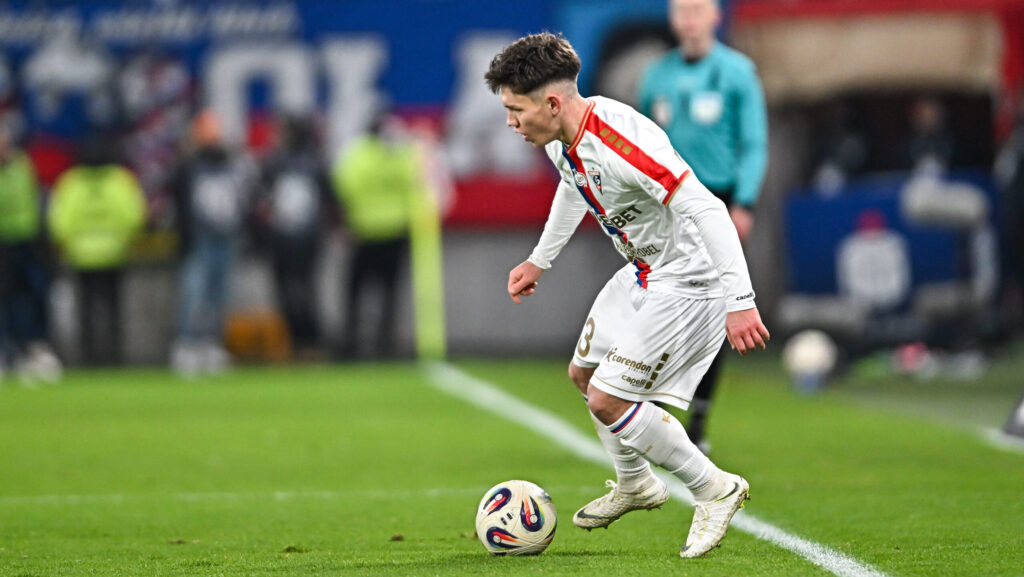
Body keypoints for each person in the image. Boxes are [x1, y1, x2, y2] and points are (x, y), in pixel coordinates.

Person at [486, 33, 769, 558]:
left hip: (690, 279)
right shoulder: (560, 139)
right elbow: (573, 185)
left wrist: (740, 300)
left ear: (552, 104)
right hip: (645, 269)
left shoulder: (621, 142)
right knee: (584, 374)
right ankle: (636, 484)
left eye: (516, 110)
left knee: (608, 398)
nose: (510, 122)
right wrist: (540, 259)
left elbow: (708, 209)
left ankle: (715, 487)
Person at [636, 0, 768, 452]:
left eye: (697, 9)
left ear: (715, 15)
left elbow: (753, 143)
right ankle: (649, 410)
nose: (689, 19)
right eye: (681, 11)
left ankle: (699, 418)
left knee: (713, 312)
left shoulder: (738, 72)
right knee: (657, 304)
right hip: (666, 206)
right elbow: (640, 144)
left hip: (718, 201)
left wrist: (744, 202)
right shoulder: (656, 75)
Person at [48, 129, 146, 366]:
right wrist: (121, 239)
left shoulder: (71, 182)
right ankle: (113, 356)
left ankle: (88, 358)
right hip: (114, 252)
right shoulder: (119, 180)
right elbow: (135, 216)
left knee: (86, 309)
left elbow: (59, 221)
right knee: (113, 308)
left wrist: (71, 242)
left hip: (81, 255)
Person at [168, 110, 254, 376]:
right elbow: (180, 204)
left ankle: (211, 343)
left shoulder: (232, 166)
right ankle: (186, 343)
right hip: (200, 238)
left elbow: (242, 201)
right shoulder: (188, 167)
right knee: (194, 293)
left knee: (218, 295)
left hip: (225, 236)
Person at [332, 110, 421, 359]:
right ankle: (385, 343)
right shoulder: (399, 153)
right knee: (389, 292)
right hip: (395, 230)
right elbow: (414, 184)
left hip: (363, 231)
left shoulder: (357, 155)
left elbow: (343, 187)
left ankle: (350, 342)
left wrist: (347, 221)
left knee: (355, 291)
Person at [257, 113, 335, 355]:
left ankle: (302, 340)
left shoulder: (275, 162)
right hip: (303, 236)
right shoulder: (315, 161)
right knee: (303, 289)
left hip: (288, 236)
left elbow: (261, 199)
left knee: (293, 290)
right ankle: (306, 341)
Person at [0, 121, 62, 382]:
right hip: (3, 242)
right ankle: (7, 351)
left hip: (26, 241)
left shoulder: (22, 165)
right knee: (5, 301)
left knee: (32, 297)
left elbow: (32, 199)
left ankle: (32, 350)